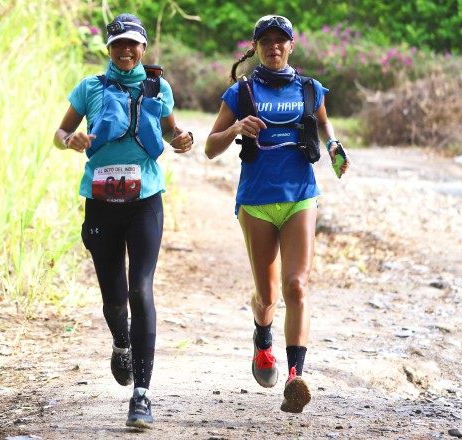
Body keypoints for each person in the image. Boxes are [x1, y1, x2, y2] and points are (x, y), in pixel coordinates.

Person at [53, 13, 193, 429]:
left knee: (140, 289)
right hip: (100, 202)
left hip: (145, 200)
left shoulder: (158, 87)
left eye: (133, 44)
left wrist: (182, 138)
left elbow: (170, 132)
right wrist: (71, 140)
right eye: (119, 44)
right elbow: (58, 134)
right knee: (114, 299)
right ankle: (121, 342)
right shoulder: (89, 88)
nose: (126, 51)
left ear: (144, 48)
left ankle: (142, 395)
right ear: (109, 49)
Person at [205, 15, 349, 414]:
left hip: (301, 196)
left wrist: (335, 147)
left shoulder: (309, 88)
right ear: (256, 47)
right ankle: (262, 336)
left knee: (297, 286)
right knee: (268, 296)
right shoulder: (241, 91)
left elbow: (323, 123)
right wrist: (236, 127)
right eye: (265, 41)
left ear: (291, 45)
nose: (274, 47)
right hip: (256, 202)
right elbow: (210, 147)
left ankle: (294, 377)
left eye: (280, 40)